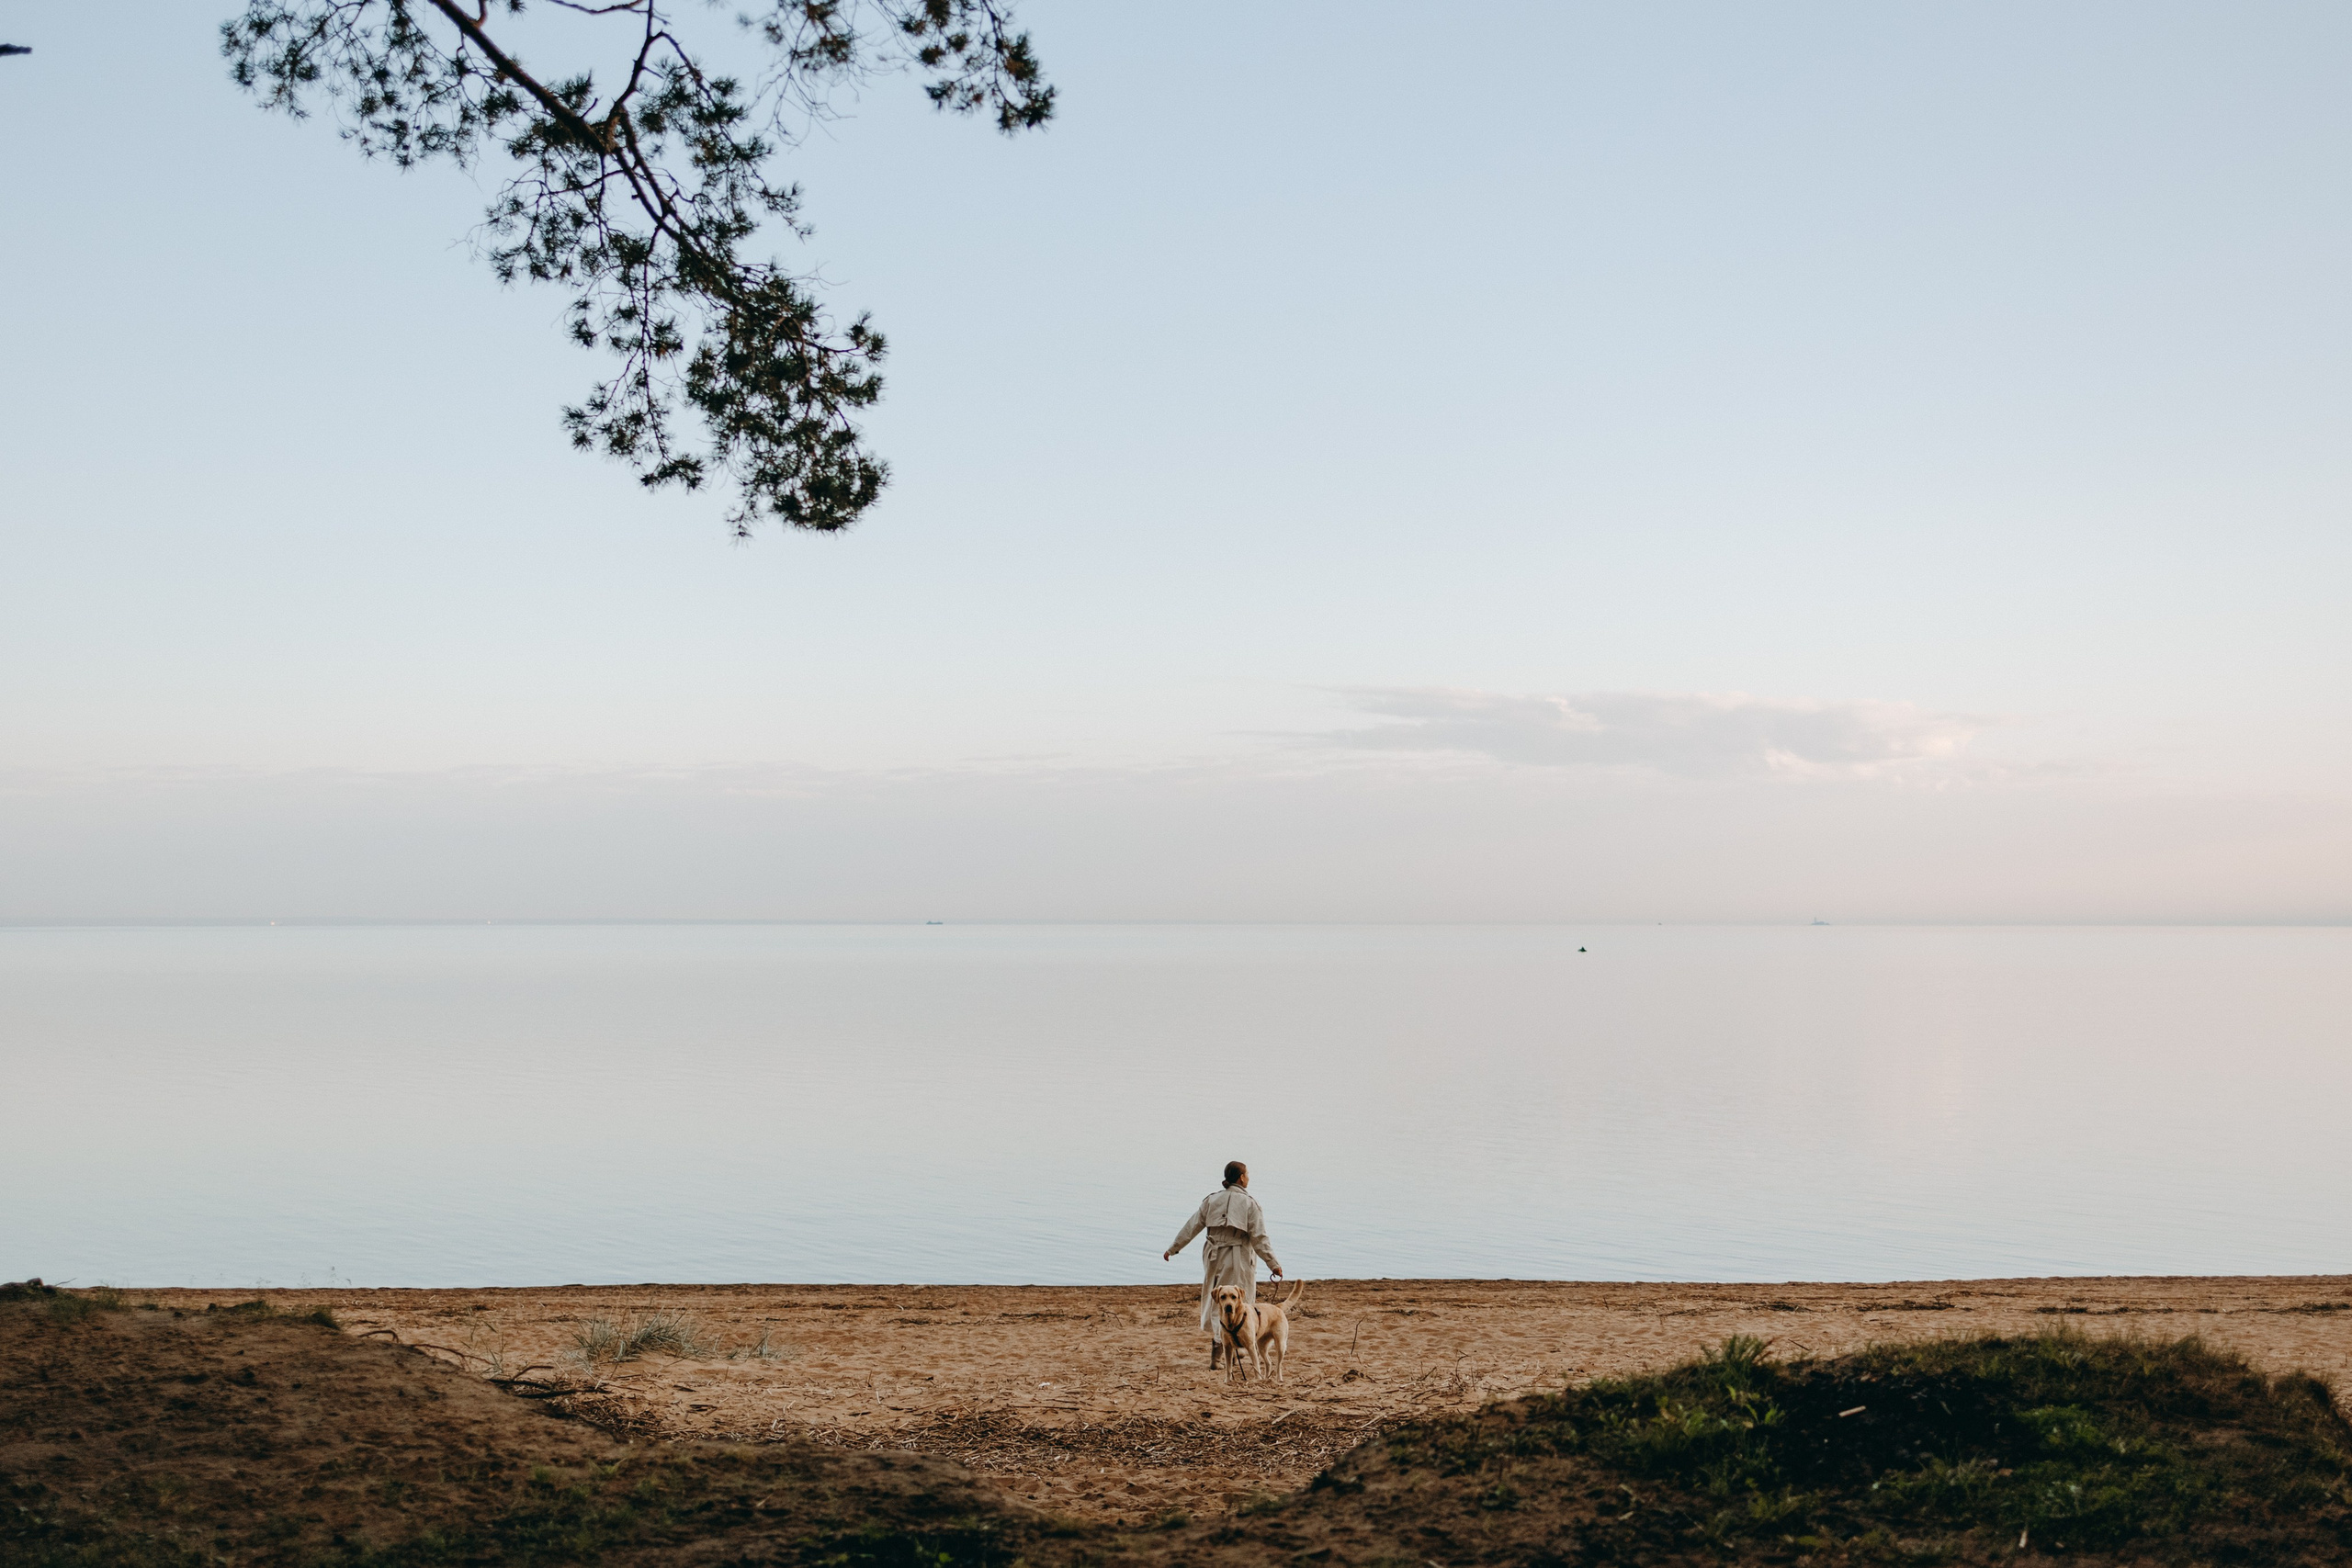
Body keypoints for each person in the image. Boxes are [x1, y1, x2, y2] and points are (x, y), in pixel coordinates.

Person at [1162, 1159, 1283, 1369]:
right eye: (1247, 1175)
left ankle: (1220, 1354)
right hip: (1239, 1258)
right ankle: (1231, 1348)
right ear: (1241, 1178)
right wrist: (1273, 1264)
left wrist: (1173, 1248)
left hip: (1213, 1256)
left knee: (1219, 1301)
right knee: (1239, 1303)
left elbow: (1192, 1226)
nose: (1248, 1178)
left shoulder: (1211, 1201)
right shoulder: (1250, 1204)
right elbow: (1260, 1238)